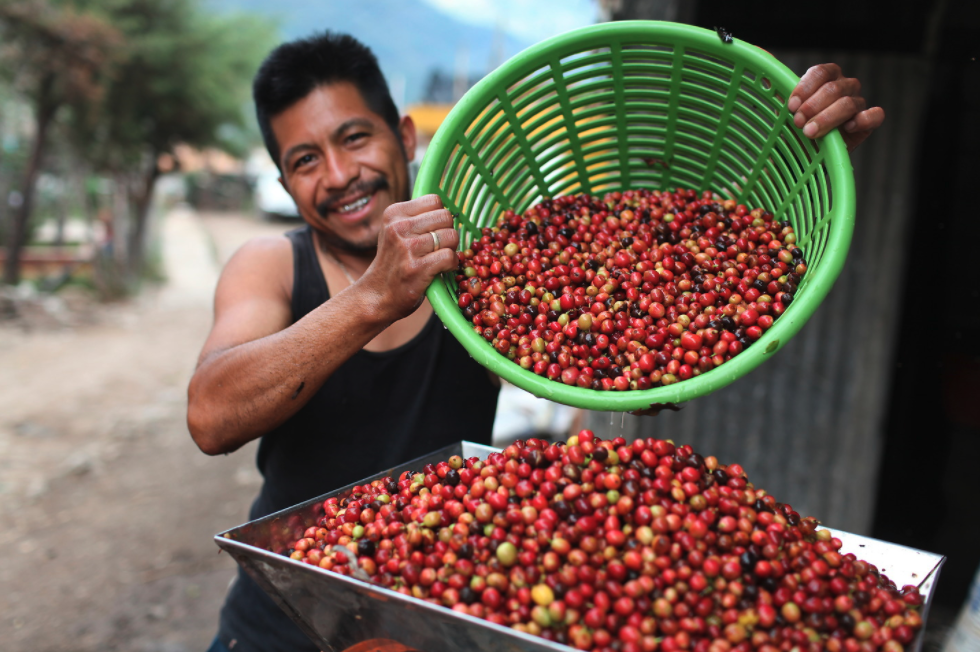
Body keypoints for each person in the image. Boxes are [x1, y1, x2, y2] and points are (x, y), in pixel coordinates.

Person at [186, 31, 884, 652]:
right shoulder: (271, 263)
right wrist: (374, 295)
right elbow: (212, 418)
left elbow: (641, 335)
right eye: (305, 160)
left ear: (403, 136)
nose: (338, 176)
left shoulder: (479, 268)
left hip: (438, 618)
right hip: (285, 620)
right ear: (282, 181)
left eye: (354, 138)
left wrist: (804, 158)